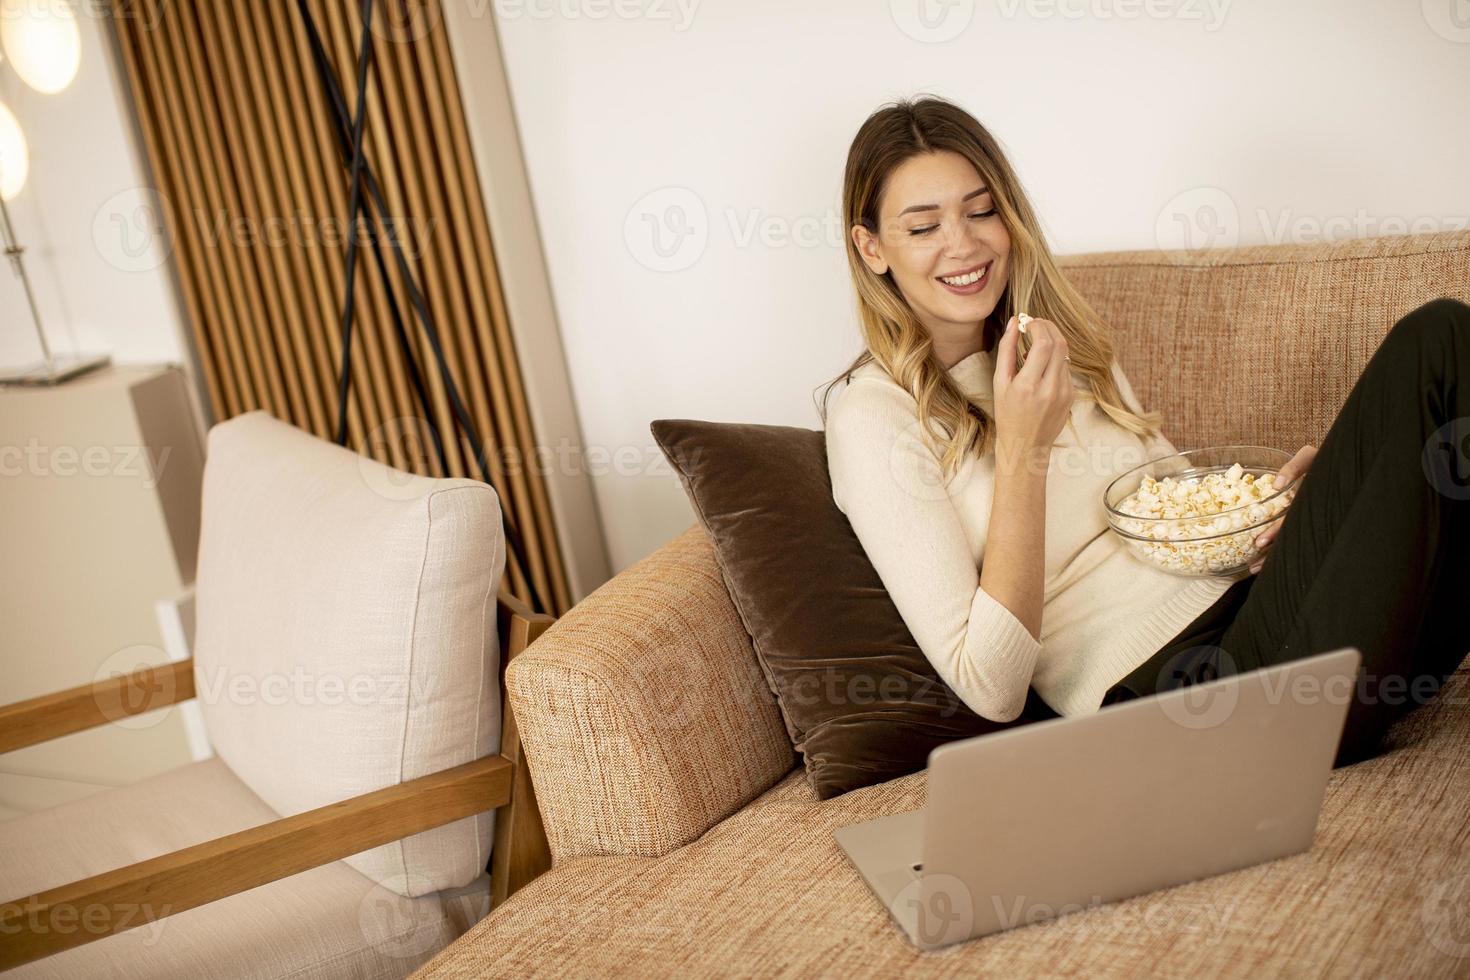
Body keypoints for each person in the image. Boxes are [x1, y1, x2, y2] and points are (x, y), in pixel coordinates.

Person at [818, 94, 1469, 768]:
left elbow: (1176, 535)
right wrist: (1023, 449)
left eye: (981, 211)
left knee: (1442, 365)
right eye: (923, 228)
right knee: (1435, 342)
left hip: (1261, 617)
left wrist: (1272, 528)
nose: (964, 243)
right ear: (871, 248)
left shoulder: (1057, 346)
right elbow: (990, 686)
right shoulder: (872, 414)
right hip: (1181, 700)